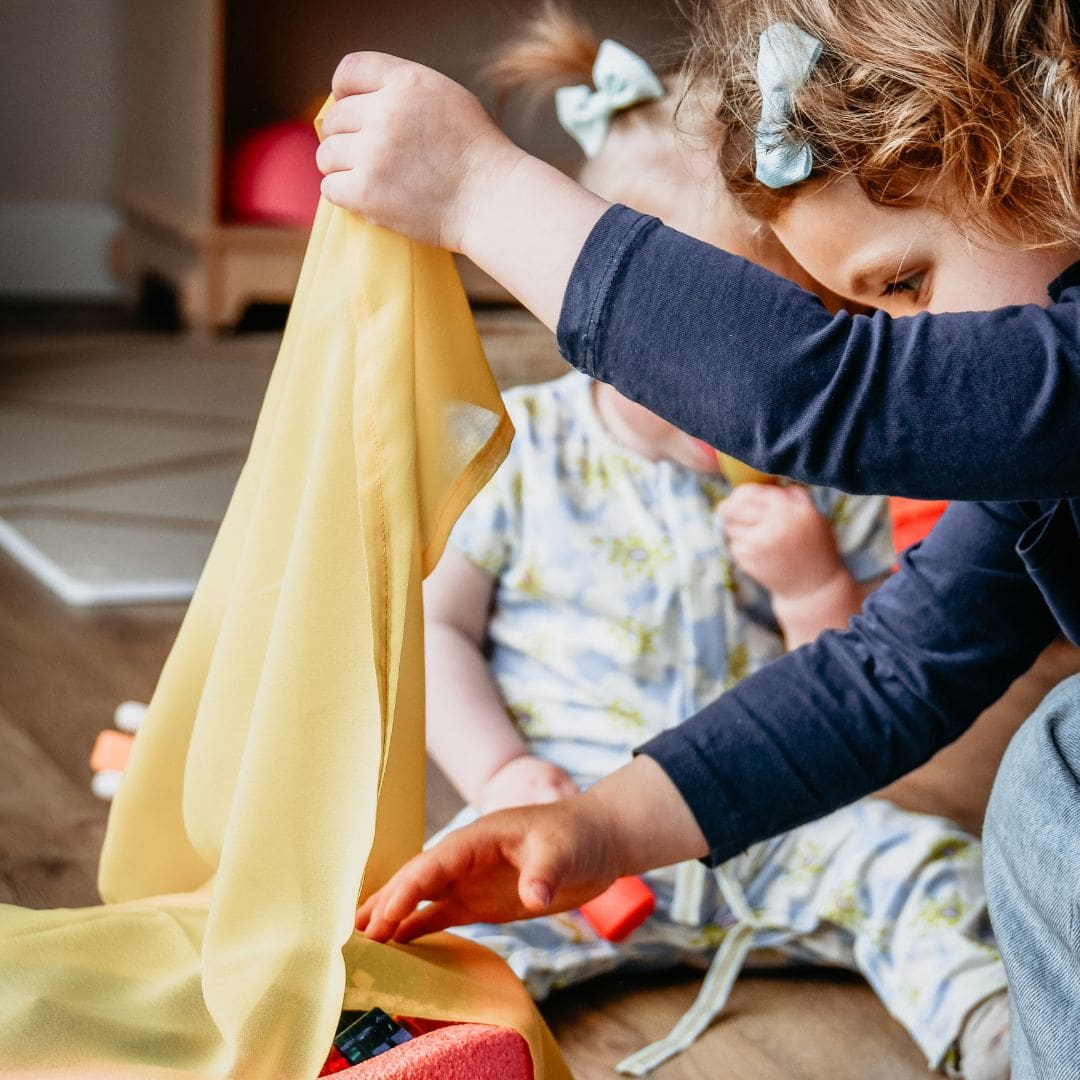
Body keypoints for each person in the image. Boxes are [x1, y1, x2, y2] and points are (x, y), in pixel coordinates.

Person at [317, 0, 1080, 1072]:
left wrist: (481, 192)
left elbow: (837, 398)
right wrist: (597, 830)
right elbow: (887, 676)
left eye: (901, 284)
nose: (912, 343)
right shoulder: (1037, 466)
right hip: (612, 789)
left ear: (1047, 149)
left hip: (807, 849)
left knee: (1042, 770)